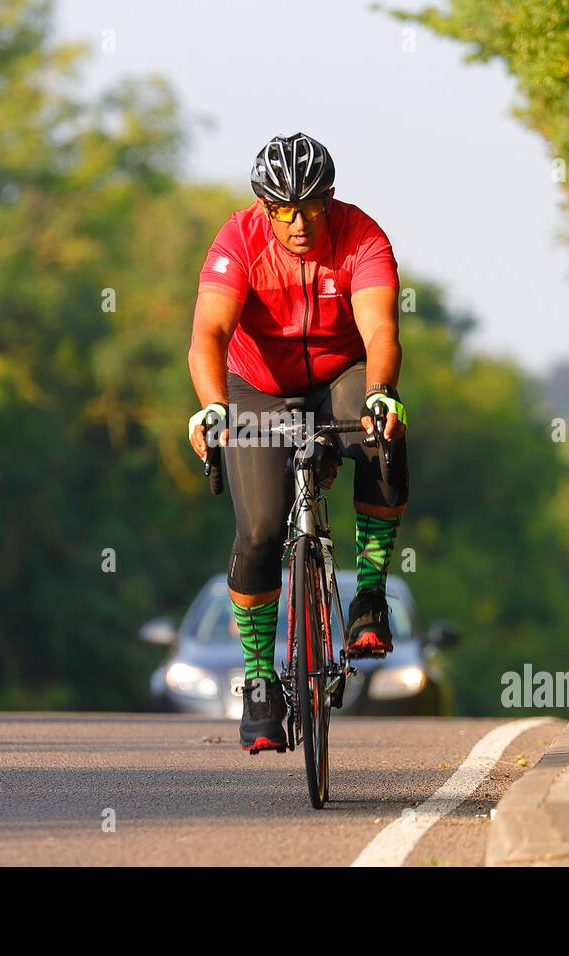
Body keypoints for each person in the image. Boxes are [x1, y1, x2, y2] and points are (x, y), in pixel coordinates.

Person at [186, 133, 410, 752]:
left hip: (340, 374)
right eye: (281, 209)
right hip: (255, 385)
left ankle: (368, 593)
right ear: (263, 206)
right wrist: (211, 407)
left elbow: (381, 329)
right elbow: (208, 332)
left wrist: (381, 392)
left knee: (381, 432)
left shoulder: (363, 237)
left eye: (310, 206)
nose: (297, 222)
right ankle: (260, 682)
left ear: (329, 200)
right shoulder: (237, 241)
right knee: (259, 529)